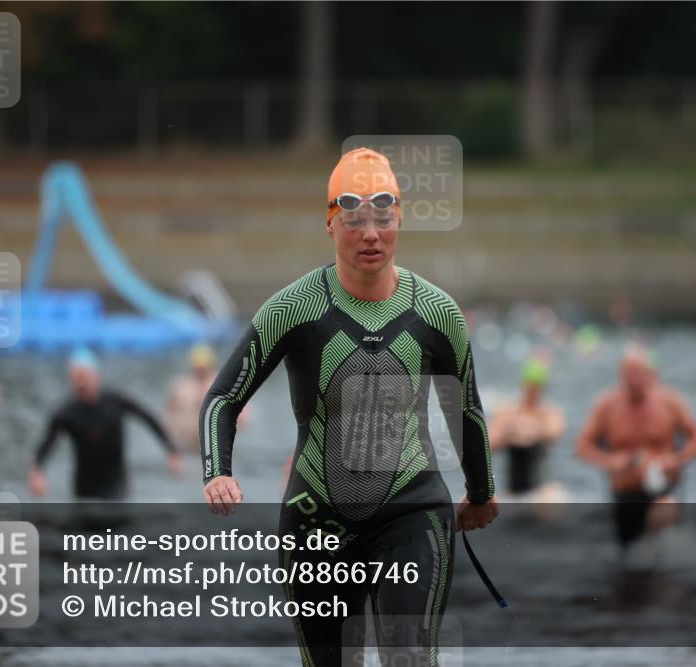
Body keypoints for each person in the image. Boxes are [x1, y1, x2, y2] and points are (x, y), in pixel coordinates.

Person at [199, 147, 498, 665]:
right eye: (354, 221)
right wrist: (216, 471)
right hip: (316, 518)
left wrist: (481, 492)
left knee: (409, 658)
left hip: (413, 509)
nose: (371, 235)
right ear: (331, 225)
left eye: (383, 220)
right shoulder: (294, 309)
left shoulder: (438, 313)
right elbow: (223, 397)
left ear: (399, 220)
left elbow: (465, 410)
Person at [576, 346, 696, 548]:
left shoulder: (670, 402)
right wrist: (611, 461)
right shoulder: (607, 405)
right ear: (621, 375)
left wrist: (677, 459)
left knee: (664, 517)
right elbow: (582, 448)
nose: (635, 380)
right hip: (625, 492)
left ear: (652, 373)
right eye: (629, 374)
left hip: (663, 487)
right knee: (631, 557)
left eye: (639, 373)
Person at [29, 347, 183, 499]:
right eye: (76, 378)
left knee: (115, 518)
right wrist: (37, 472)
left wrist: (171, 450)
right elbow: (47, 444)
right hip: (84, 484)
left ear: (96, 376)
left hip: (115, 481)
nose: (81, 384)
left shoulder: (115, 402)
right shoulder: (66, 413)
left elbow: (148, 418)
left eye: (84, 377)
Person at [489, 358, 566, 498]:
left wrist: (523, 430)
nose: (533, 390)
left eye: (537, 386)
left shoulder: (549, 411)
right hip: (513, 489)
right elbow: (491, 443)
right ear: (523, 384)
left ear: (543, 387)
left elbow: (554, 433)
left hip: (540, 489)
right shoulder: (508, 411)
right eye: (530, 385)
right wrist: (516, 432)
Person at [165, 344, 250, 452]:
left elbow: (243, 416)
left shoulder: (224, 385)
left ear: (211, 366)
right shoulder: (182, 386)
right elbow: (169, 414)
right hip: (187, 441)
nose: (201, 371)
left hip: (217, 441)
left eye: (204, 368)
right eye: (198, 368)